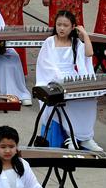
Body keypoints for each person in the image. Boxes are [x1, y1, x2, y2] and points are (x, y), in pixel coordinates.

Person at [36, 10, 101, 151]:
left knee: (89, 100)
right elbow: (45, 65)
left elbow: (89, 54)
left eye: (65, 25)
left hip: (72, 78)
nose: (61, 28)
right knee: (68, 102)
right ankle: (71, 136)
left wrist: (84, 35)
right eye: (59, 24)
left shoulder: (75, 42)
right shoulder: (49, 42)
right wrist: (60, 79)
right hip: (53, 79)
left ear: (72, 27)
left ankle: (85, 137)